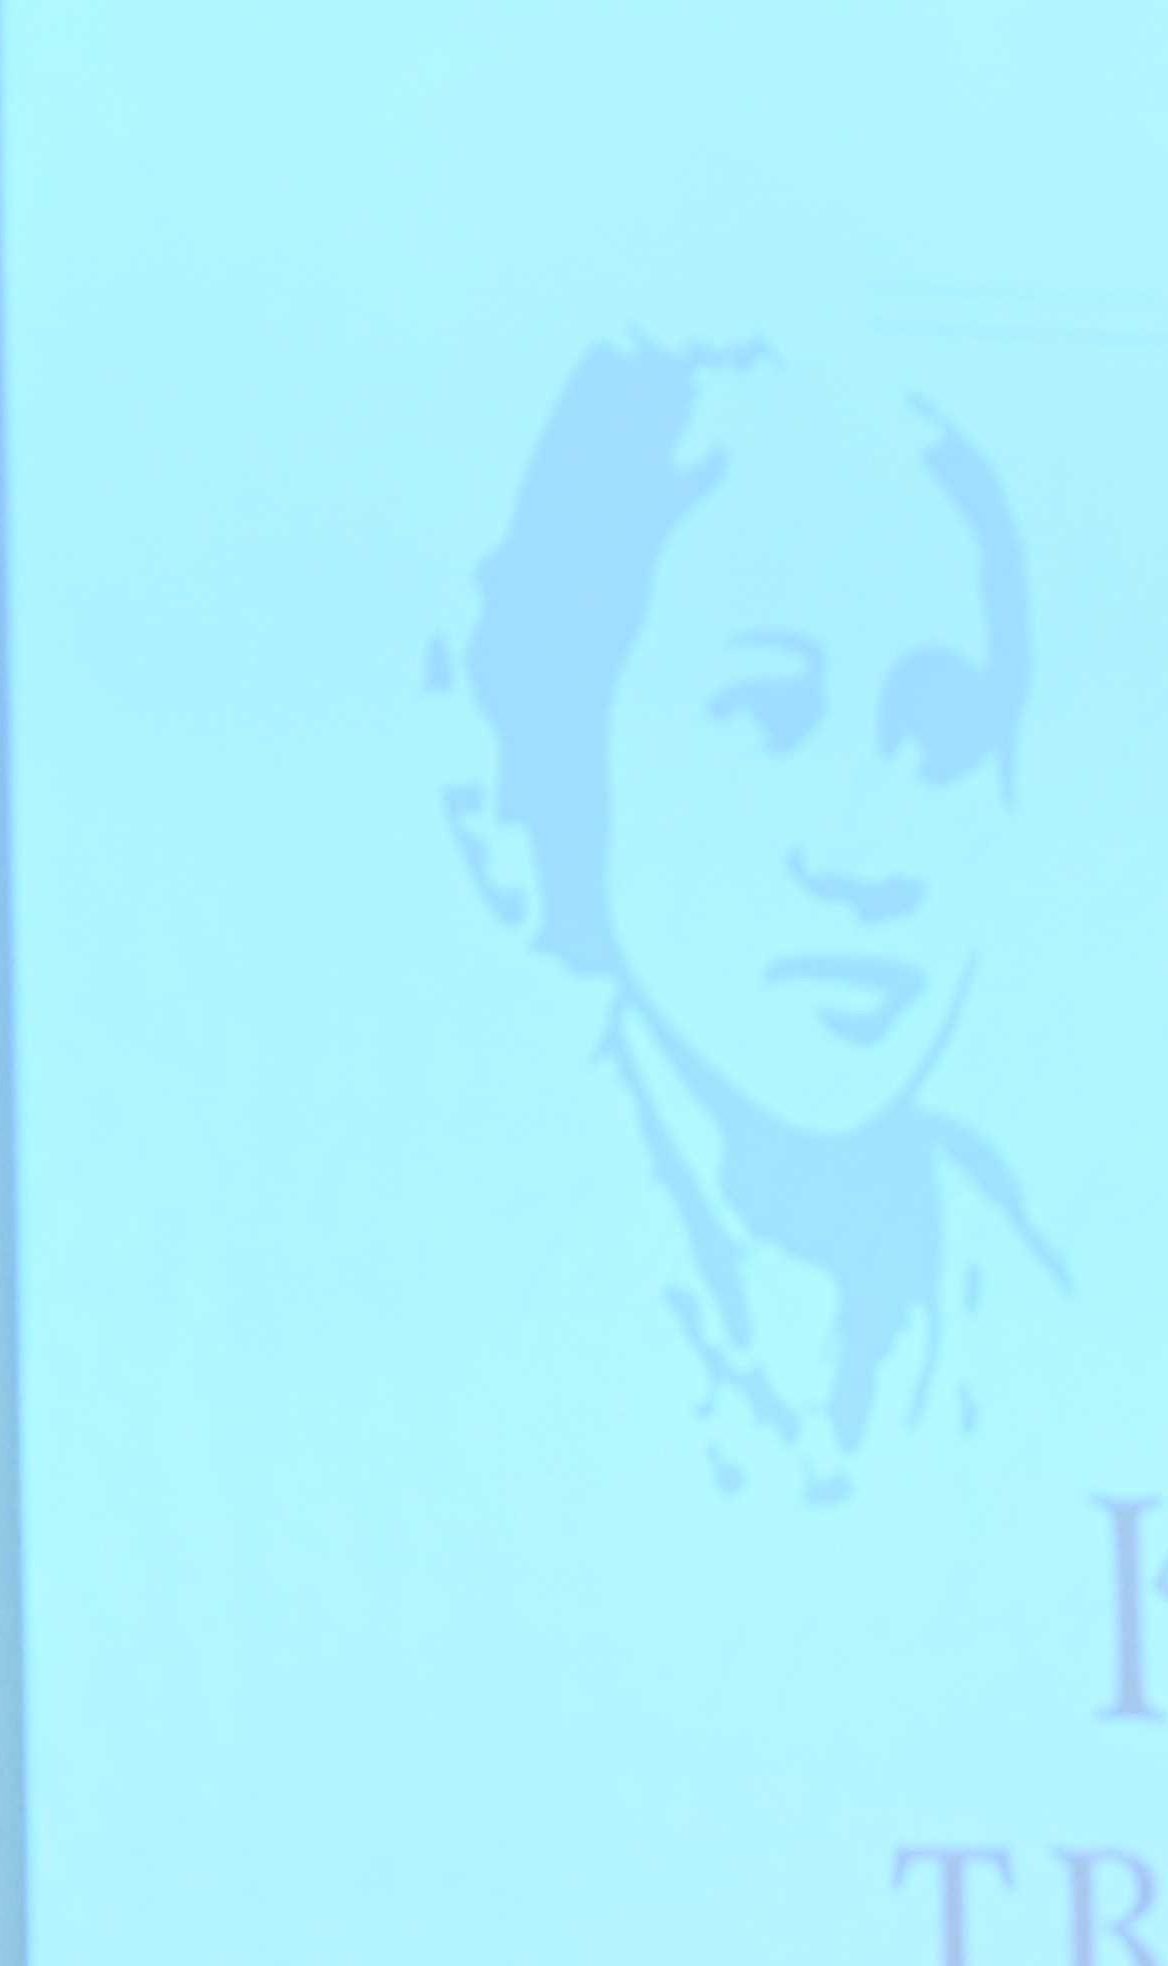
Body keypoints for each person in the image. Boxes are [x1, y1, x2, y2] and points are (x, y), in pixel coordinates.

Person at [438, 336, 1058, 1501]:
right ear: (574, 745)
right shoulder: (460, 1295)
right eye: (769, 716)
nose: (864, 852)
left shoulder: (1058, 1306)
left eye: (942, 732)